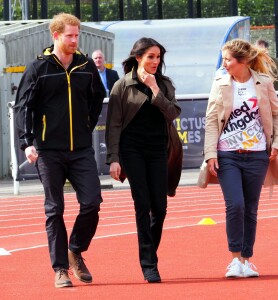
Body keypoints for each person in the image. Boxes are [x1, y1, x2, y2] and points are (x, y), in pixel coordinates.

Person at [14, 13, 106, 288]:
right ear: (56, 35)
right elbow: (23, 107)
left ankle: (75, 249)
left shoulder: (86, 65)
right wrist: (27, 142)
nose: (75, 40)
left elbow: (96, 98)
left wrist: (85, 126)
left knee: (92, 202)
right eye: (70, 36)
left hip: (80, 149)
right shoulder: (38, 67)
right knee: (55, 209)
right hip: (48, 150)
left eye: (77, 35)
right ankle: (61, 269)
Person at [202, 39, 278, 278]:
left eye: (228, 59)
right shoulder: (220, 83)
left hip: (258, 155)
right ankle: (234, 259)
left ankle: (246, 260)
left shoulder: (263, 83)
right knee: (235, 205)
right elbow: (211, 120)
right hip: (227, 154)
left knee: (250, 209)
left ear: (242, 61)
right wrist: (210, 154)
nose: (225, 63)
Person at [105, 37, 181, 283]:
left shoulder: (164, 84)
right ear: (138, 57)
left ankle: (149, 253)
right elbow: (114, 125)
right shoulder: (122, 85)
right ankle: (149, 264)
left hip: (158, 149)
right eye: (151, 57)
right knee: (142, 205)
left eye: (158, 57)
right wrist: (114, 159)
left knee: (160, 208)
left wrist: (156, 91)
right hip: (132, 151)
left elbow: (173, 113)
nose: (155, 62)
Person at [255, 38, 278, 171]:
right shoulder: (251, 64)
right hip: (260, 104)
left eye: (260, 48)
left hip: (276, 102)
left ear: (266, 48)